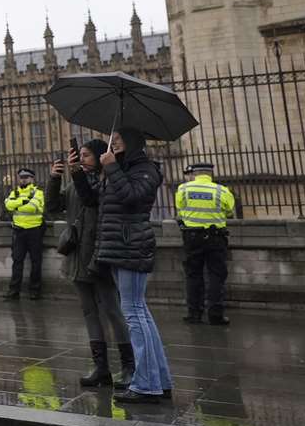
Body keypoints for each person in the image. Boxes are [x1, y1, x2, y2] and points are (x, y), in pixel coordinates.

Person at [96, 128, 173, 404]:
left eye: (118, 139)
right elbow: (102, 201)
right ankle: (159, 380)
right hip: (120, 246)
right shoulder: (124, 168)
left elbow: (132, 198)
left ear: (133, 143)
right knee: (140, 312)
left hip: (131, 246)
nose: (113, 142)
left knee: (134, 313)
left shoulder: (146, 169)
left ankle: (146, 384)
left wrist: (113, 168)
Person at [50, 139, 133, 388]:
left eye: (86, 156)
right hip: (77, 257)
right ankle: (101, 367)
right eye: (79, 156)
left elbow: (91, 199)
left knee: (112, 311)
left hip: (99, 256)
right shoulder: (75, 183)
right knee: (89, 313)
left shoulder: (105, 181)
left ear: (98, 157)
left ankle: (130, 366)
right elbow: (53, 207)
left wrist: (76, 173)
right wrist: (54, 179)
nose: (81, 159)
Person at [176, 161, 235, 326]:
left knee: (193, 275)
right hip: (215, 237)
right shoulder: (221, 190)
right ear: (210, 174)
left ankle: (194, 313)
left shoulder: (183, 189)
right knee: (216, 275)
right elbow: (229, 210)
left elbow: (180, 209)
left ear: (195, 174)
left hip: (192, 237)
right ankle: (216, 315)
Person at [2, 168, 46, 300]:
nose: (23, 179)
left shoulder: (37, 192)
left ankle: (35, 291)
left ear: (32, 179)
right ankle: (14, 291)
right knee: (17, 261)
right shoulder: (14, 192)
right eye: (21, 177)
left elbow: (33, 207)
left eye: (26, 177)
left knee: (36, 261)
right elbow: (8, 205)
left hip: (35, 230)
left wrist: (16, 204)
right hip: (19, 231)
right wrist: (23, 202)